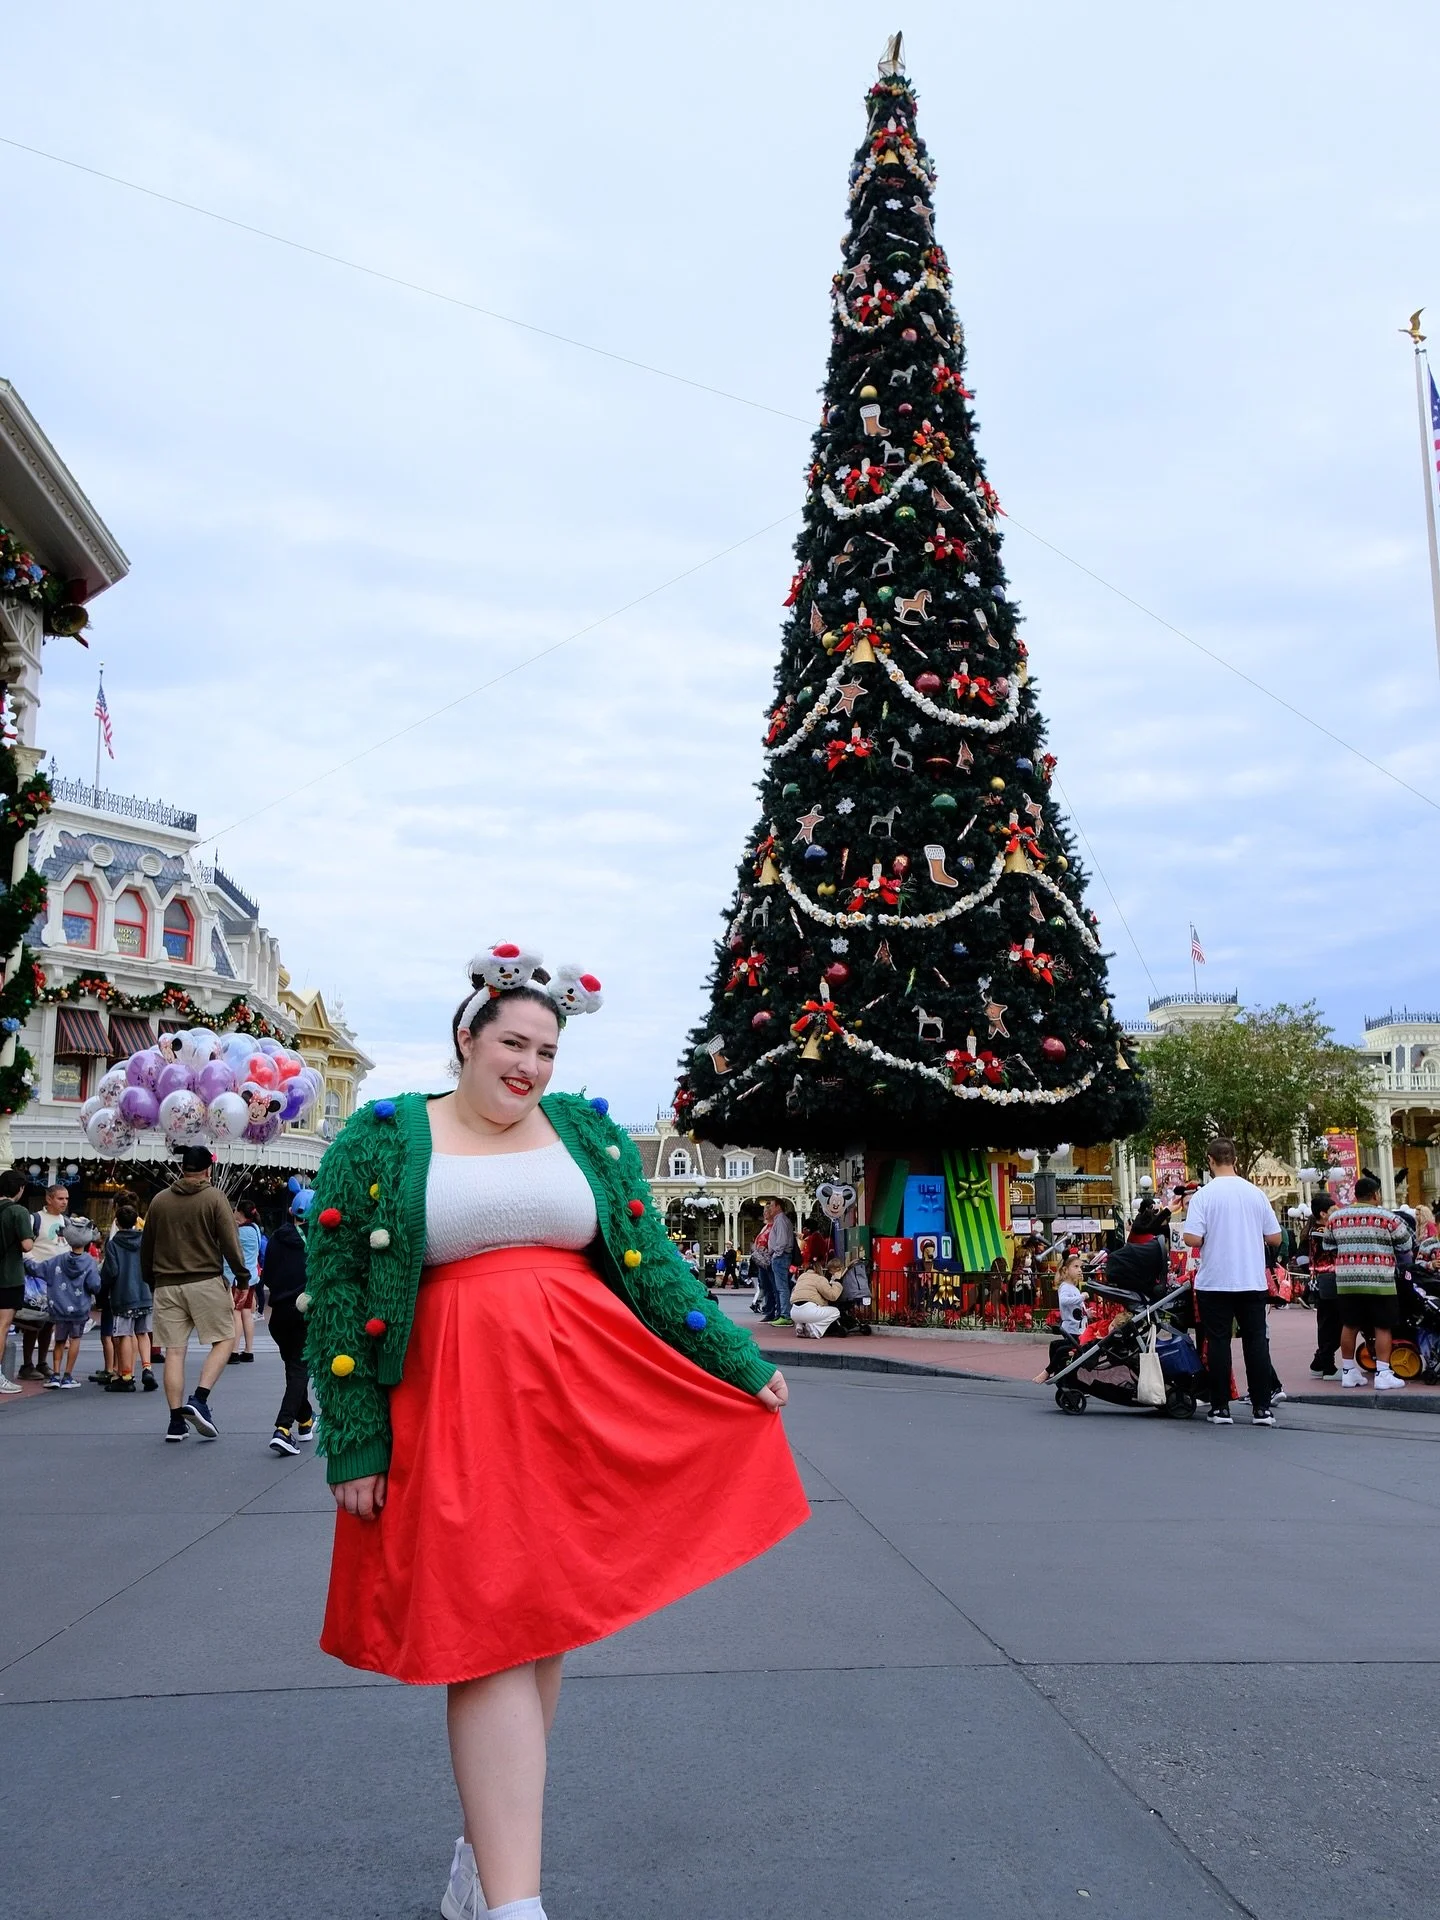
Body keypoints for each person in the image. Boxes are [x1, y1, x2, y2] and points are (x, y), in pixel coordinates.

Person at [306, 948, 806, 1920]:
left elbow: (652, 1264)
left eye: (546, 1048)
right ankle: (514, 1906)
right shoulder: (377, 1139)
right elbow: (335, 1294)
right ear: (467, 1038)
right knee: (489, 1635)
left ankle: (485, 1862)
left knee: (538, 1634)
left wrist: (738, 1363)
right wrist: (354, 1438)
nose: (530, 1066)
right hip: (453, 1405)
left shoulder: (582, 1129)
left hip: (579, 1398)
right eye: (513, 1043)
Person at [141, 1146, 248, 1441]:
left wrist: (151, 1279)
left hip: (166, 1284)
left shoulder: (160, 1201)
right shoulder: (214, 1198)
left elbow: (147, 1245)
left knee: (174, 1351)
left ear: (182, 1169)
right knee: (226, 1339)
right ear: (208, 1171)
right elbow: (229, 1241)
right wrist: (241, 1276)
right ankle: (199, 1398)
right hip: (204, 1279)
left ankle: (176, 1422)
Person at [1181, 1138, 1281, 1426]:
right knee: (1256, 1342)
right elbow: (1274, 1237)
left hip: (1215, 1280)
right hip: (1251, 1278)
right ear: (1235, 1159)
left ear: (1210, 1161)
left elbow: (1193, 1238)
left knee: (1218, 1343)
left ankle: (1221, 1407)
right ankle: (1262, 1408)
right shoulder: (1255, 1193)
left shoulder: (1204, 1195)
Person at [1326, 1176, 1411, 1391]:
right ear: (1375, 1195)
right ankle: (1383, 1373)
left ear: (1356, 1195)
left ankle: (1348, 1371)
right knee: (1383, 1326)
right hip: (1380, 1281)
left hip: (1347, 1281)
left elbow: (1328, 1245)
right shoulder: (1386, 1217)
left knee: (1349, 1324)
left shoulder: (1336, 1217)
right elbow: (1406, 1244)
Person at [265, 1186, 316, 1455]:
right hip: (303, 1314)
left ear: (290, 1212)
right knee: (299, 1371)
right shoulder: (317, 1240)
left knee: (293, 1368)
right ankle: (283, 1429)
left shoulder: (275, 1238)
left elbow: (269, 1277)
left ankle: (306, 1421)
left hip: (277, 1316)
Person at [100, 1205, 155, 1393]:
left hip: (123, 1295)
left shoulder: (114, 1244)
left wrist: (103, 1286)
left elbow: (111, 1271)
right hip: (144, 1293)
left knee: (124, 1334)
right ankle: (147, 1367)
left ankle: (126, 1375)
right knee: (143, 1333)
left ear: (116, 1222)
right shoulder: (145, 1241)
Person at [42, 1219, 101, 1389]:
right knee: (75, 1339)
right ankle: (68, 1376)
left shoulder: (58, 1260)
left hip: (59, 1306)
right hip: (79, 1308)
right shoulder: (89, 1262)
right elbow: (95, 1285)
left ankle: (55, 1373)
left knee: (59, 1340)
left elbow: (39, 1269)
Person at [18, 1183, 69, 1378]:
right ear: (49, 1199)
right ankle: (27, 1364)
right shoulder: (35, 1219)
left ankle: (41, 1362)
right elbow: (26, 1246)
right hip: (37, 1278)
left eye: (66, 1199)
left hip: (57, 1280)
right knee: (33, 1323)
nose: (64, 1202)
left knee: (49, 1323)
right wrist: (32, 1265)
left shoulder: (66, 1221)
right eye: (60, 1198)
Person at [0, 1169, 34, 1394]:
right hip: (7, 1275)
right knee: (2, 1326)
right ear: (20, 1189)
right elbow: (27, 1245)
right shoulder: (17, 1212)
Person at [1306, 1193, 1340, 1379]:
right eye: (1333, 1211)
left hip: (1326, 1278)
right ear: (1323, 1214)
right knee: (1332, 1323)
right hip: (1327, 1278)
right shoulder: (1320, 1232)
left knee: (1332, 1321)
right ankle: (1327, 1365)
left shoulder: (1318, 1230)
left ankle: (1320, 1361)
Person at [227, 1198, 263, 1363]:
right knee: (247, 1312)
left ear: (239, 1213)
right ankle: (248, 1350)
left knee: (236, 1312)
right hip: (252, 1278)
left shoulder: (238, 1232)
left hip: (239, 1278)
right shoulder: (255, 1228)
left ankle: (233, 1351)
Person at [790, 1257, 844, 1337]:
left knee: (805, 1311)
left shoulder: (801, 1278)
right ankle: (815, 1328)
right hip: (809, 1311)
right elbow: (832, 1296)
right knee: (835, 1311)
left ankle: (800, 1326)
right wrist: (837, 1282)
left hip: (794, 1313)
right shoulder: (819, 1278)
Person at [764, 1198, 796, 1324]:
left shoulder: (781, 1221)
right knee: (781, 1286)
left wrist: (776, 1254)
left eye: (771, 1205)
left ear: (778, 1207)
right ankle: (783, 1313)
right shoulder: (779, 1220)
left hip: (780, 1257)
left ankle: (785, 1315)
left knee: (782, 1287)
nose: (769, 1208)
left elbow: (781, 1241)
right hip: (780, 1256)